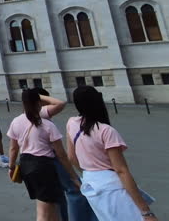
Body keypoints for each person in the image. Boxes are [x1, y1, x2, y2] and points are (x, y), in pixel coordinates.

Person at [66, 86, 157, 221]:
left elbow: (72, 157)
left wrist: (90, 171)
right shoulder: (106, 131)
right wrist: (146, 212)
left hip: (90, 182)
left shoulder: (71, 123)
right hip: (112, 186)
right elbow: (121, 170)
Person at [6, 89, 79, 221]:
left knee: (51, 209)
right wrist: (73, 176)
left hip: (26, 166)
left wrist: (11, 167)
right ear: (39, 103)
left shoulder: (16, 121)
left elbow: (13, 149)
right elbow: (61, 155)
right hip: (44, 167)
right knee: (44, 213)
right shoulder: (47, 125)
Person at [31, 88, 97, 221]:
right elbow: (60, 103)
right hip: (52, 158)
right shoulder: (39, 113)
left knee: (57, 194)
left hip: (36, 162)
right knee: (75, 190)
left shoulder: (23, 116)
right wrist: (39, 96)